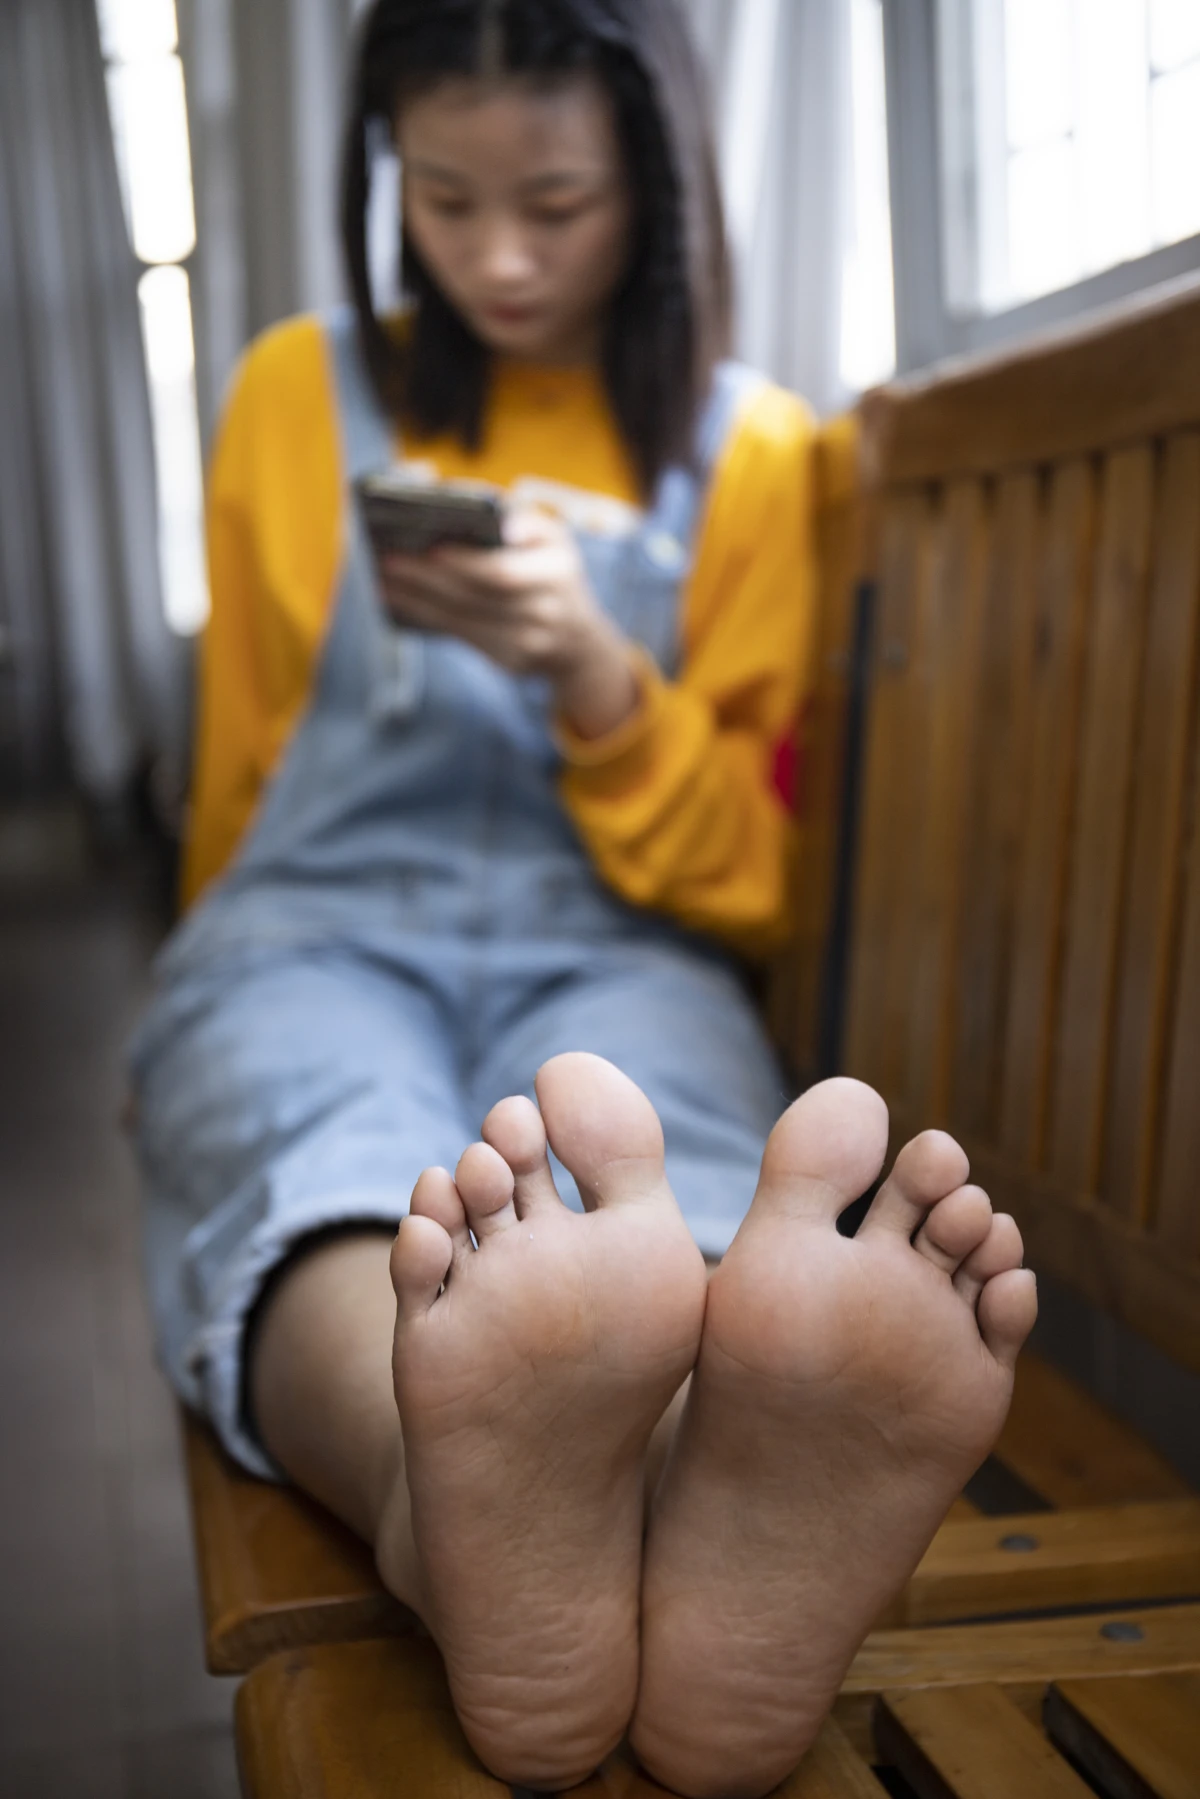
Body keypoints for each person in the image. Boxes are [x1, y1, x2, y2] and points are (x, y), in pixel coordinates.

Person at [129, 2, 1038, 1792]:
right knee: (304, 1113)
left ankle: (668, 1467)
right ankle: (467, 1492)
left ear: (661, 184)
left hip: (621, 928)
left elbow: (752, 879)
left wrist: (595, 674)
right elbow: (241, 786)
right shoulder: (291, 397)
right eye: (444, 196)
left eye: (556, 199)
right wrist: (215, 988)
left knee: (668, 1126)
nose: (498, 256)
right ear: (385, 172)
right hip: (320, 910)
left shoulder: (754, 450)